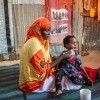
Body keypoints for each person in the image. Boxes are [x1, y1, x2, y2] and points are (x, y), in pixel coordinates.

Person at [19, 17, 71, 92]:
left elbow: (45, 58)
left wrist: (56, 58)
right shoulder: (34, 43)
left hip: (36, 74)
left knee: (67, 69)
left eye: (49, 30)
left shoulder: (41, 40)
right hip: (34, 81)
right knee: (67, 78)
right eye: (46, 30)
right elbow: (41, 70)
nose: (49, 33)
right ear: (39, 30)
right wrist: (62, 57)